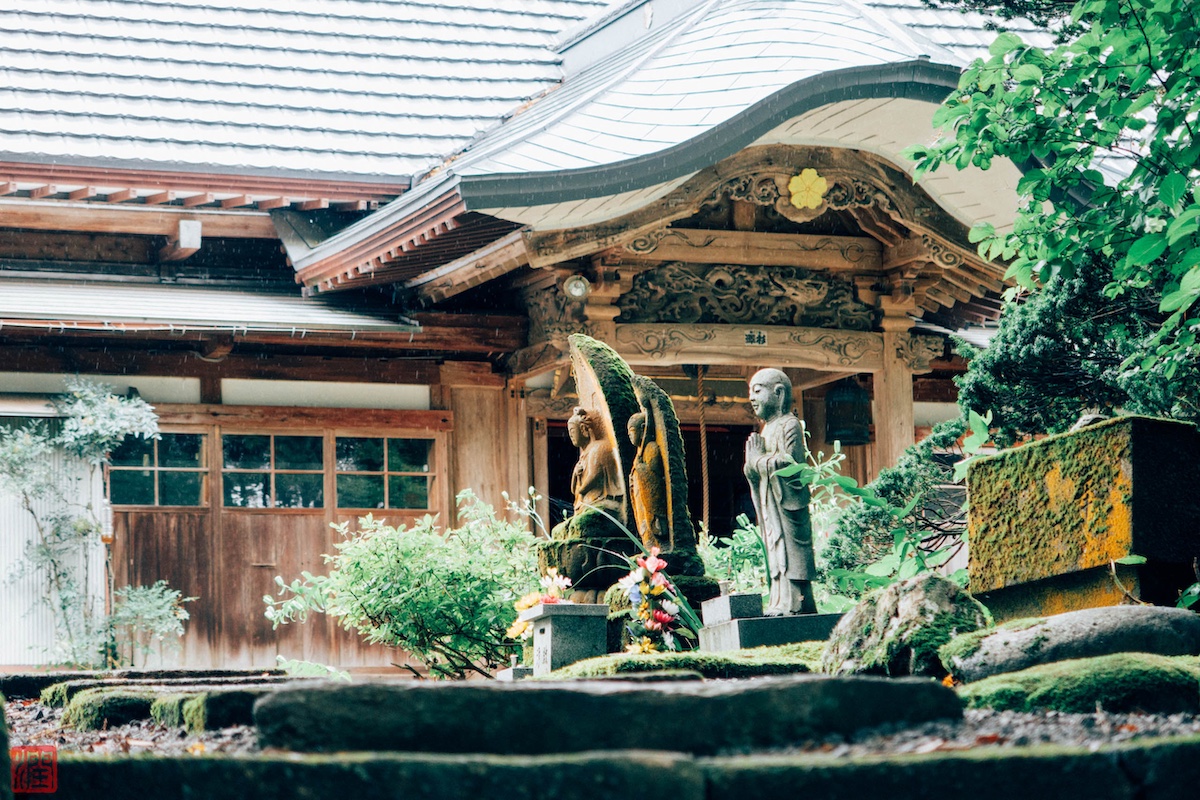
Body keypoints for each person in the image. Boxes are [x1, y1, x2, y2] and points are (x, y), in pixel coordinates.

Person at [743, 368, 818, 615]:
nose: (751, 398)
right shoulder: (766, 429)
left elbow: (789, 463)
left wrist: (757, 461)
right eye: (750, 392)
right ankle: (779, 600)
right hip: (770, 500)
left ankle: (797, 601)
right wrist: (751, 467)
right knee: (775, 549)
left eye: (757, 391)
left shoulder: (790, 424)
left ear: (779, 393)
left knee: (790, 550)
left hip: (787, 501)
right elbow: (759, 467)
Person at [567, 405, 624, 517]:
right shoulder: (583, 456)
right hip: (586, 504)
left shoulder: (598, 448)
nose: (570, 436)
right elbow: (574, 490)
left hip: (600, 501)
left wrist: (582, 489)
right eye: (569, 432)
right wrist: (575, 474)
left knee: (586, 521)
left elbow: (594, 475)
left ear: (583, 429)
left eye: (572, 431)